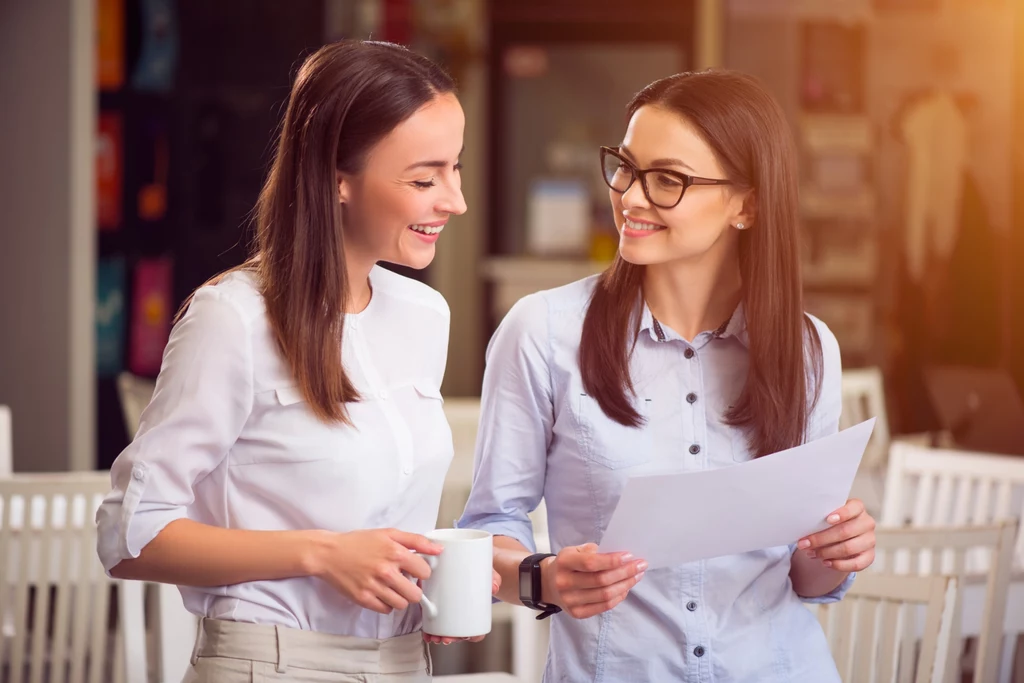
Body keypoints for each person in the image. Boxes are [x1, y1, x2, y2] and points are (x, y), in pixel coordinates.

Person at [458, 70, 876, 682]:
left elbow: (804, 578)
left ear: (747, 204)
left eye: (668, 180)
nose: (629, 196)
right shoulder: (543, 333)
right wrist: (542, 577)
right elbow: (488, 527)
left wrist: (837, 555)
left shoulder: (808, 349)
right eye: (625, 168)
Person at [96, 40, 489, 683]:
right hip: (271, 664)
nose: (455, 200)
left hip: (404, 664)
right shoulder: (233, 318)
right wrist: (323, 555)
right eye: (424, 179)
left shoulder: (423, 316)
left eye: (455, 169)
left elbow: (380, 518)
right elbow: (130, 536)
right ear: (338, 178)